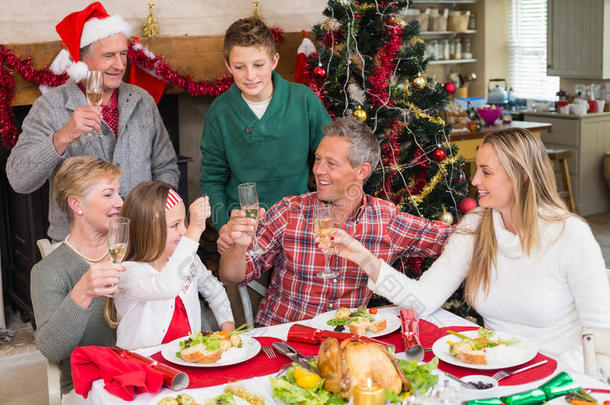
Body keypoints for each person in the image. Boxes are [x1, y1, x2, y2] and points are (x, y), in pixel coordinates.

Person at [321, 128, 610, 370]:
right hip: (490, 371)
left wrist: (549, 372)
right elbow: (422, 299)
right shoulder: (475, 226)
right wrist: (361, 256)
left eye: (486, 172)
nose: (475, 181)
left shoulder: (569, 234)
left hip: (558, 375)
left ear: (521, 176)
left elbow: (601, 337)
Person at [219, 117, 453, 326]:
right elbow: (230, 276)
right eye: (318, 159)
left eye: (331, 163)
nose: (319, 170)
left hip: (344, 343)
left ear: (362, 171)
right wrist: (239, 245)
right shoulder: (289, 212)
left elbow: (453, 239)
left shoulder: (385, 220)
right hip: (282, 338)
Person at [6, 2, 179, 242]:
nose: (119, 65)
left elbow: (166, 167)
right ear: (81, 60)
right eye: (109, 56)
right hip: (79, 246)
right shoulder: (49, 107)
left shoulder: (142, 101)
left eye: (123, 54)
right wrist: (62, 137)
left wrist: (155, 212)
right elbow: (19, 179)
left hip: (141, 238)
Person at [200, 17, 331, 247]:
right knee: (234, 274)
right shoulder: (219, 112)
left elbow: (332, 158)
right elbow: (212, 178)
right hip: (244, 225)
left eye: (258, 65)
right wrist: (224, 226)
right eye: (240, 67)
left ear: (274, 61)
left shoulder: (304, 100)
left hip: (299, 223)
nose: (250, 76)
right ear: (228, 65)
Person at [30, 156, 125, 400]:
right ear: (77, 204)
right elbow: (52, 349)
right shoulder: (48, 271)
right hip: (88, 385)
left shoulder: (128, 249)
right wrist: (82, 292)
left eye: (118, 193)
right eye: (108, 195)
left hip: (139, 370)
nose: (120, 202)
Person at [111, 182, 235, 349]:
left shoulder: (188, 261)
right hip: (143, 366)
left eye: (185, 223)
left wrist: (227, 327)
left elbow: (214, 289)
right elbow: (166, 286)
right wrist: (195, 228)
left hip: (188, 360)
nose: (184, 231)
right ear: (148, 231)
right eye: (175, 225)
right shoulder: (126, 272)